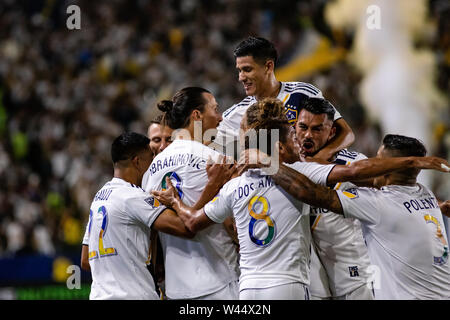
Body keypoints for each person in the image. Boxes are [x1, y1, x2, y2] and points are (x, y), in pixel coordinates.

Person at [152, 98, 448, 299]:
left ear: (331, 130)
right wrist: (413, 164)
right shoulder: (302, 171)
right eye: (296, 133)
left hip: (250, 288)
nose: (302, 138)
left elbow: (193, 221)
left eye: (314, 129)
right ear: (281, 144)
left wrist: (174, 202)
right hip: (293, 283)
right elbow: (343, 179)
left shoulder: (235, 183)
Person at [249, 134, 450, 300]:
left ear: (388, 166)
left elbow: (309, 193)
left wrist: (267, 163)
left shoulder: (376, 203)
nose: (372, 163)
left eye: (377, 160)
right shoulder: (426, 194)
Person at [142, 87, 240, 300]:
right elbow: (234, 227)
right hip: (220, 282)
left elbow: (153, 237)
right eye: (215, 109)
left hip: (177, 288)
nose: (220, 117)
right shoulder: (218, 162)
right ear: (197, 115)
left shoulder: (150, 172)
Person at [80, 132, 195, 300]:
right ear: (137, 161)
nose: (154, 162)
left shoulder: (99, 197)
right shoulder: (133, 196)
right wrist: (176, 202)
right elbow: (186, 228)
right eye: (151, 156)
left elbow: (85, 260)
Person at [213, 36, 354, 161]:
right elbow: (204, 140)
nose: (241, 77)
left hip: (328, 176)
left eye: (247, 70)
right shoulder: (235, 115)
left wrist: (316, 162)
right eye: (239, 70)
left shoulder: (302, 93)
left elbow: (346, 134)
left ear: (268, 66)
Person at [295, 97, 373, 300]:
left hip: (354, 272)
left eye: (317, 129)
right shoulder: (289, 166)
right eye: (302, 127)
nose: (307, 135)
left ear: (331, 132)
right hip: (311, 278)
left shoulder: (354, 164)